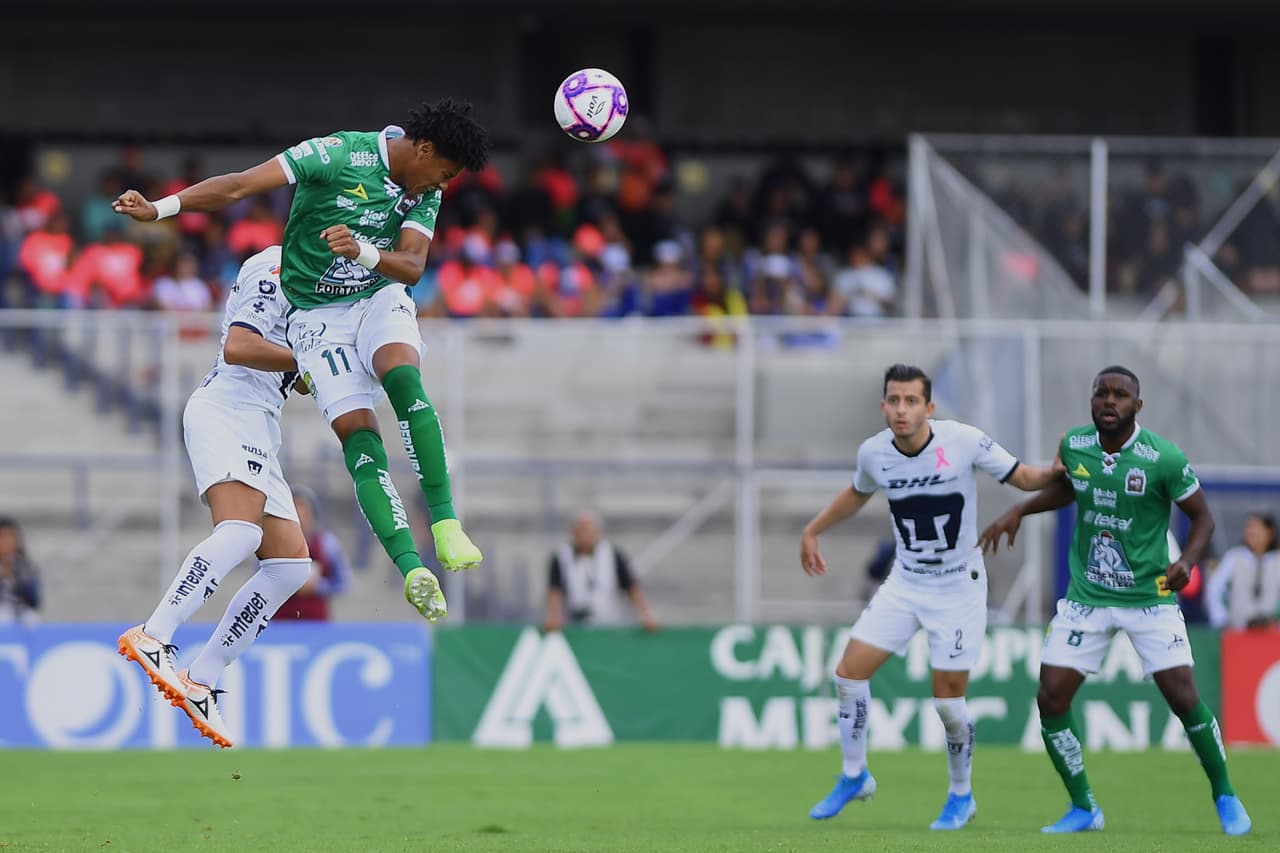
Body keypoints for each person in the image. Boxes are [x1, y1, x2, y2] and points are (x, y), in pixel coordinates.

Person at [113, 99, 489, 621]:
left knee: (404, 378)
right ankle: (410, 567)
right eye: (444, 173)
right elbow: (240, 185)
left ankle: (445, 523)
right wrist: (160, 209)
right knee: (359, 437)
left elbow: (411, 265)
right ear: (424, 149)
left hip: (378, 294)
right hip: (318, 316)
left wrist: (360, 252)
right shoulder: (336, 155)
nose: (441, 185)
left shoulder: (428, 188)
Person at [979, 366, 1251, 835]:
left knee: (1183, 696)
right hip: (1088, 594)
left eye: (1120, 395)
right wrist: (1021, 510)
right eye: (1101, 393)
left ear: (1137, 406)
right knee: (1051, 696)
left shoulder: (1163, 457)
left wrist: (1187, 561)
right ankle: (1084, 807)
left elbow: (1203, 517)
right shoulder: (1075, 445)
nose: (1109, 401)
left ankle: (1225, 794)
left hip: (1150, 595)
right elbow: (1072, 487)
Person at [800, 364, 1065, 830]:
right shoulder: (874, 453)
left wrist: (1055, 472)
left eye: (911, 401)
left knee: (947, 702)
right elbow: (858, 493)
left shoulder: (963, 441)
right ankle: (854, 775)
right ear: (883, 405)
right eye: (894, 401)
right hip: (906, 582)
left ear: (929, 407)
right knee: (848, 675)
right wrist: (813, 529)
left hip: (958, 586)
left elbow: (1023, 477)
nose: (901, 410)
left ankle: (961, 795)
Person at [118, 246, 312, 749]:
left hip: (260, 425)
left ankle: (201, 677)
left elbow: (300, 376)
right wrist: (309, 358)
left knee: (291, 566)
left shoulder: (321, 283)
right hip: (228, 411)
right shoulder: (277, 265)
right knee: (241, 532)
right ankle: (154, 634)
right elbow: (240, 347)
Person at [544, 511, 658, 632]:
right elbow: (555, 590)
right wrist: (554, 615)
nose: (584, 535)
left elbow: (631, 587)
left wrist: (645, 613)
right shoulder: (561, 556)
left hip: (608, 624)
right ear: (573, 532)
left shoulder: (612, 554)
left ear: (597, 532)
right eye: (580, 530)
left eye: (588, 530)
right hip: (572, 625)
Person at [276, 487, 353, 621]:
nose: (300, 518)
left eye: (304, 512)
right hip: (280, 625)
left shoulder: (328, 545)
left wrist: (318, 587)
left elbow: (343, 583)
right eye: (295, 512)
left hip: (316, 625)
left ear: (313, 515)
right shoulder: (272, 545)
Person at [1205, 512, 1280, 630]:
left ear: (1270, 532)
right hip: (1238, 629)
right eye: (1248, 527)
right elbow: (1214, 588)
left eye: (1256, 528)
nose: (1251, 532)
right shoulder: (1234, 557)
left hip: (1270, 631)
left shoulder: (1277, 559)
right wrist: (1221, 620)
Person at [0, 517, 41, 626]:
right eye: (2, 537)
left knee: (32, 619)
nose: (6, 542)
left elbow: (34, 600)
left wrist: (14, 575)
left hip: (20, 610)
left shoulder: (26, 566)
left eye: (10, 537)